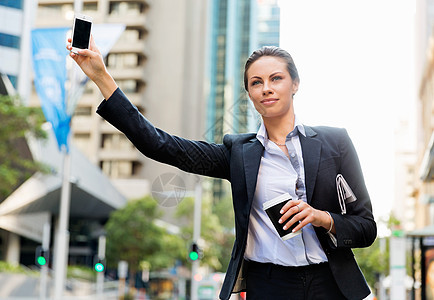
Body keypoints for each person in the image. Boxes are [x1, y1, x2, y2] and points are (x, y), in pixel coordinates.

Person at [67, 37, 377, 300]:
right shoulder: (239, 153)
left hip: (329, 284)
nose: (266, 88)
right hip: (267, 284)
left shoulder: (335, 142)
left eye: (276, 79)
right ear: (250, 95)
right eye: (256, 83)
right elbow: (159, 144)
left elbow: (366, 228)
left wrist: (322, 218)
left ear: (295, 84)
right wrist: (102, 78)